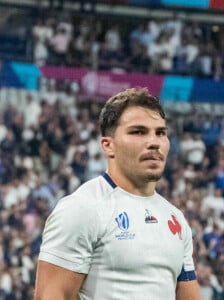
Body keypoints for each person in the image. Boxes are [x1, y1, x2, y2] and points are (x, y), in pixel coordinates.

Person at [34, 87, 201, 300]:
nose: (154, 142)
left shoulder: (175, 218)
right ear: (108, 146)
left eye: (160, 132)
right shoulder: (82, 209)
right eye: (138, 132)